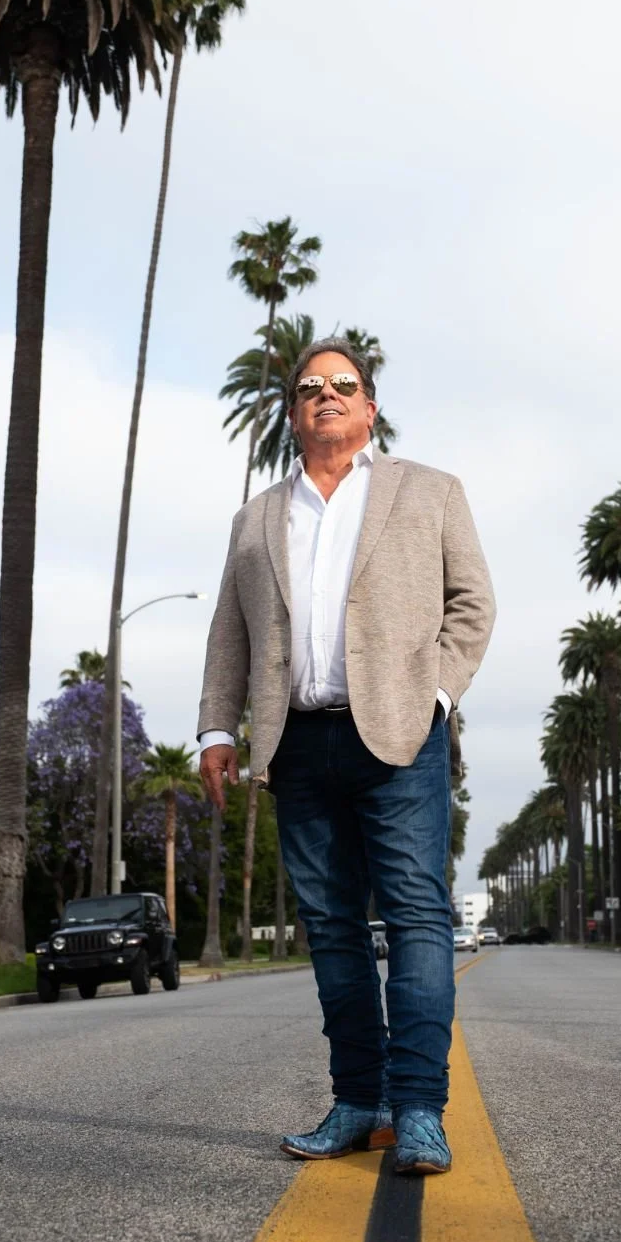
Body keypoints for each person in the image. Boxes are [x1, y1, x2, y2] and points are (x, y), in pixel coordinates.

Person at [198, 337, 495, 1175]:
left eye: (343, 384)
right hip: (295, 741)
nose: (326, 394)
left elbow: (473, 603)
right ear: (293, 414)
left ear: (369, 407)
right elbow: (230, 632)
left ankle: (419, 1109)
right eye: (309, 387)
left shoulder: (429, 490)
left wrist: (436, 695)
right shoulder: (257, 517)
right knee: (332, 929)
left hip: (399, 736)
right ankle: (358, 1100)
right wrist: (217, 729)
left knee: (415, 915)